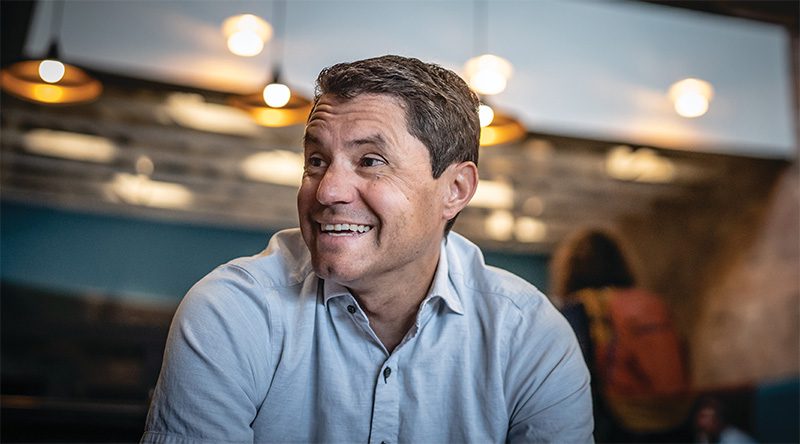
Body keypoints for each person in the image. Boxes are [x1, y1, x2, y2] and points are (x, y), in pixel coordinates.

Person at [141, 55, 592, 443]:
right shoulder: (234, 310)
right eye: (316, 161)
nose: (327, 192)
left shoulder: (530, 338)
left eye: (370, 161)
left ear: (455, 189)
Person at [550, 228, 692, 443]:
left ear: (571, 267)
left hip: (617, 426)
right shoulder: (653, 303)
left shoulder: (582, 308)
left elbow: (567, 378)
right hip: (674, 419)